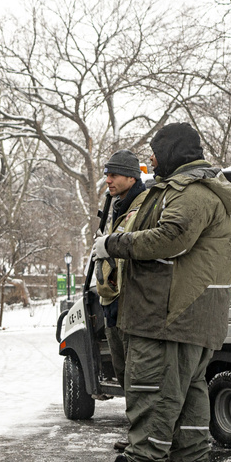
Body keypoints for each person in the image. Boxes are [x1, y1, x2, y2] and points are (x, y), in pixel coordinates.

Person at [92, 123, 231, 462]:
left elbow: (172, 239)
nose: (151, 159)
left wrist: (114, 244)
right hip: (188, 314)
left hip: (170, 315)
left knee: (151, 391)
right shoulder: (199, 189)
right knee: (189, 394)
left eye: (156, 151)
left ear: (173, 152)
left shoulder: (190, 191)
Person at [96, 149, 148, 388]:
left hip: (128, 304)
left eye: (114, 174)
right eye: (107, 174)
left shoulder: (143, 206)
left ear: (132, 178)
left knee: (135, 380)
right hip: (112, 304)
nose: (108, 180)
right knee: (125, 377)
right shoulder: (120, 206)